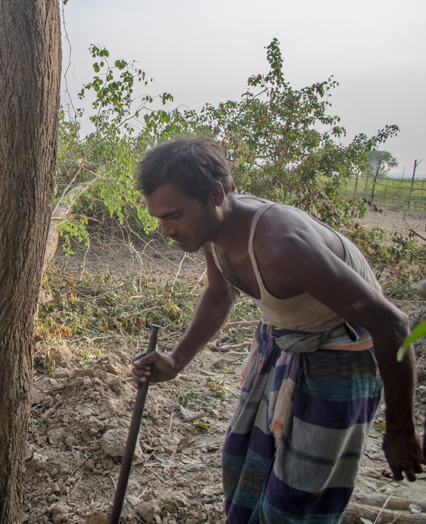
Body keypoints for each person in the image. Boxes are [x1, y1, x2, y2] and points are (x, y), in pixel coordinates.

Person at [130, 137, 421, 523]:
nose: (166, 230)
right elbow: (220, 293)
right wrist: (176, 359)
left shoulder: (280, 246)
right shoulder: (211, 228)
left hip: (343, 355)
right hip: (282, 339)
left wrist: (400, 430)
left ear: (216, 194)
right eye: (159, 219)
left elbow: (393, 325)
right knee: (243, 465)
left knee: (297, 501)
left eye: (174, 215)